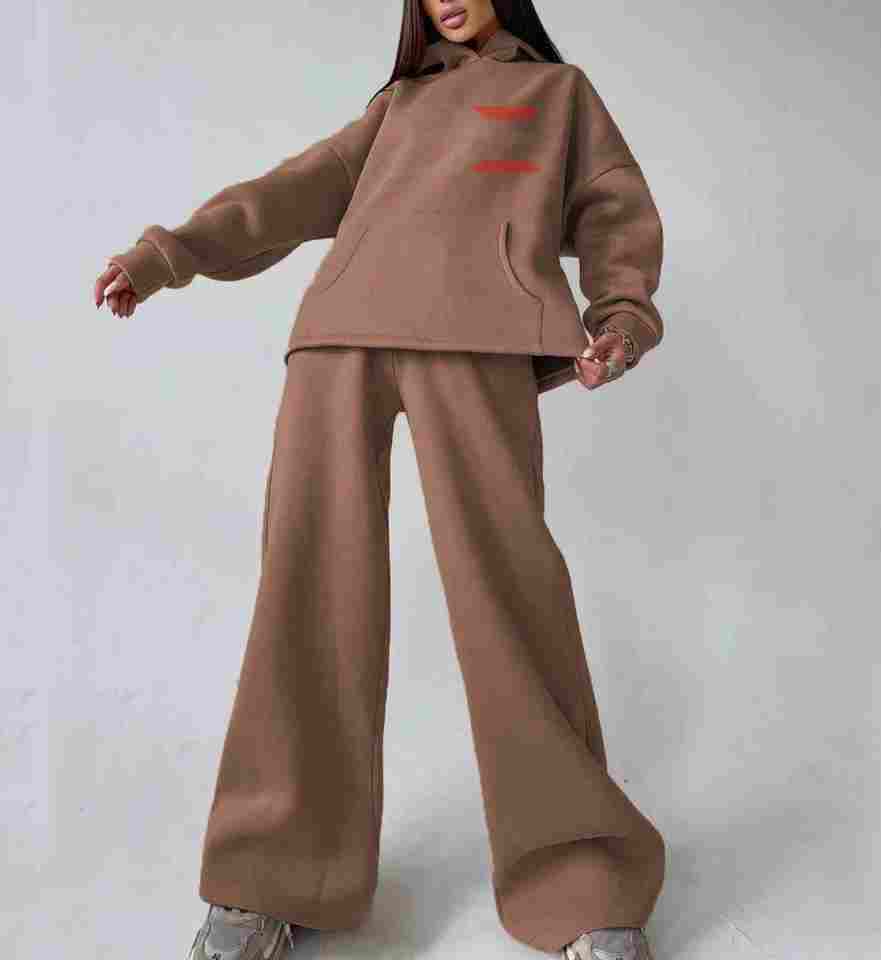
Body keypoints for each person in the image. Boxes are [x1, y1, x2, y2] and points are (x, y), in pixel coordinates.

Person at [94, 1, 667, 957]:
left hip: (480, 338)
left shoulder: (556, 94)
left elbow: (616, 210)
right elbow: (291, 192)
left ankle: (580, 879)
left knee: (509, 586)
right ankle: (269, 876)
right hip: (339, 338)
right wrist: (167, 256)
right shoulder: (398, 105)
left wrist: (621, 318)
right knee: (307, 582)